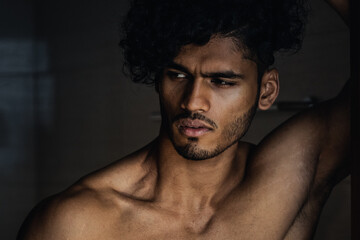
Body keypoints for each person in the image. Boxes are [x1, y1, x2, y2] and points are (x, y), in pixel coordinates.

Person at [18, 0, 350, 239]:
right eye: (177, 75)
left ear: (266, 90)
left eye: (221, 81)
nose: (193, 102)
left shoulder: (288, 179)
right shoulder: (75, 224)